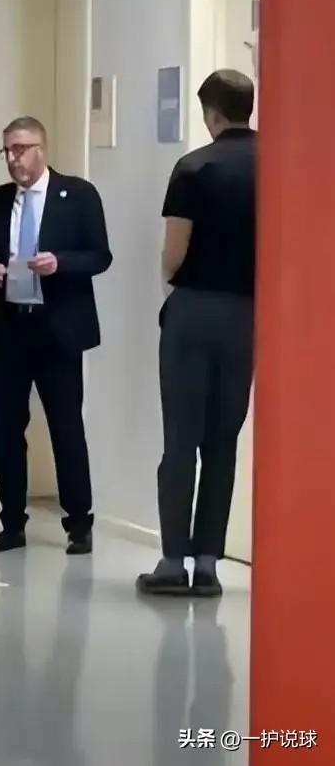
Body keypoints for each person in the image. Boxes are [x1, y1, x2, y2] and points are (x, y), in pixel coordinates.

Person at [137, 70, 256, 598]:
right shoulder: (274, 164)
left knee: (181, 441)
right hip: (247, 315)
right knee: (223, 442)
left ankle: (172, 563)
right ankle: (208, 564)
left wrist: (173, 279)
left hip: (193, 313)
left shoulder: (193, 167)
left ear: (211, 114)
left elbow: (174, 254)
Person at [0, 116, 112, 555]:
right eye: (7, 151)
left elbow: (100, 256)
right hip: (10, 328)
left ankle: (79, 522)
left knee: (66, 427)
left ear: (42, 149)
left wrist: (60, 263)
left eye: (21, 149)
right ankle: (12, 523)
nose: (14, 159)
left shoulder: (78, 195)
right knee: (6, 431)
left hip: (58, 330)